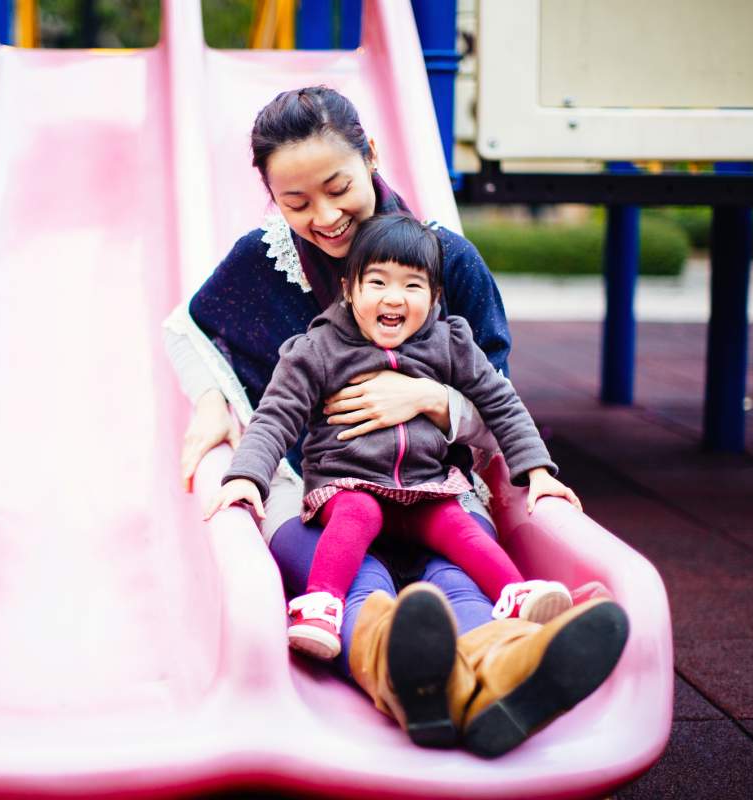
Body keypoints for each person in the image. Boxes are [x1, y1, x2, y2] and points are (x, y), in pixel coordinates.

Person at [163, 85, 628, 756]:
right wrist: (215, 398)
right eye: (296, 203)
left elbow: (498, 399)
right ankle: (491, 682)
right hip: (320, 497)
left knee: (459, 578)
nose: (325, 217)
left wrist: (430, 401)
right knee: (356, 583)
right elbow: (187, 330)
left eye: (337, 187)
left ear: (371, 156)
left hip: (435, 485)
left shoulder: (443, 263)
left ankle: (469, 681)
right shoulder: (266, 264)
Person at [202, 214, 579, 662]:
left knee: (457, 524)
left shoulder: (449, 342)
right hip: (348, 486)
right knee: (358, 514)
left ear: (436, 296)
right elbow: (275, 416)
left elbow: (502, 403)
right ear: (350, 289)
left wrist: (536, 469)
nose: (393, 298)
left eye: (412, 286)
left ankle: (517, 593)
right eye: (377, 282)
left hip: (424, 488)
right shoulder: (319, 350)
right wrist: (246, 476)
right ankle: (321, 606)